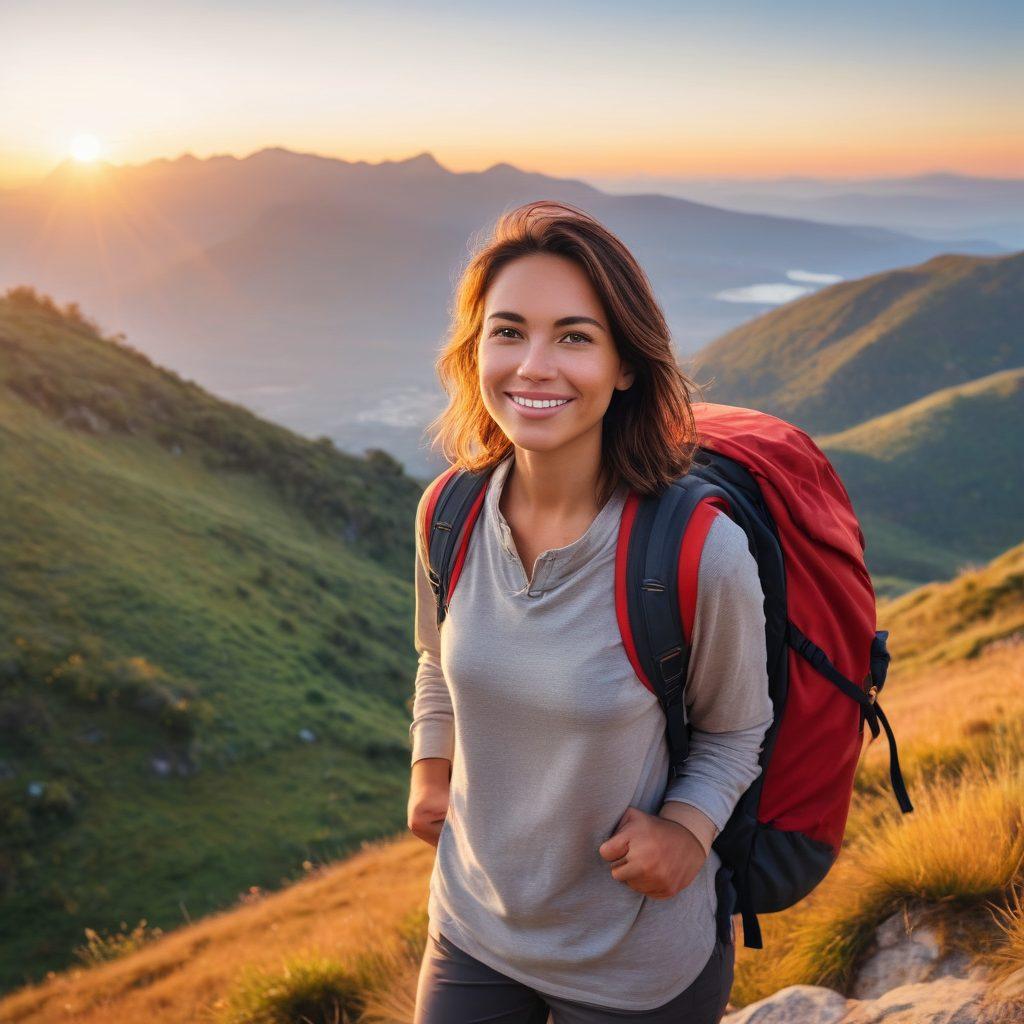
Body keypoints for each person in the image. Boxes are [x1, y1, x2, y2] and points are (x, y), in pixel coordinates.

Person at [406, 200, 774, 1023]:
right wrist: (431, 767)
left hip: (635, 964)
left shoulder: (694, 551)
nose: (533, 365)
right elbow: (436, 658)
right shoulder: (449, 512)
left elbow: (736, 728)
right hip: (472, 928)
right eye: (508, 332)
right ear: (476, 353)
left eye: (574, 337)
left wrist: (685, 833)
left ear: (626, 366)